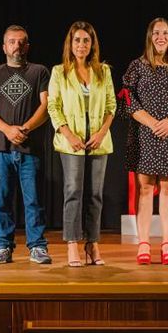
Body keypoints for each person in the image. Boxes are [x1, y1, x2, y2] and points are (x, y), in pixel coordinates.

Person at [121, 18, 168, 265]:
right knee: (145, 188)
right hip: (145, 134)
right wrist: (152, 123)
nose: (161, 37)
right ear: (149, 37)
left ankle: (167, 244)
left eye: (165, 33)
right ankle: (143, 243)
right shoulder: (137, 66)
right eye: (156, 33)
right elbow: (128, 100)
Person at [0, 25, 52, 265]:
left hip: (30, 147)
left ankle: (37, 246)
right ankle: (3, 246)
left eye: (21, 42)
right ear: (4, 47)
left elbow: (46, 106)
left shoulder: (39, 71)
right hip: (0, 148)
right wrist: (7, 129)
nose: (16, 46)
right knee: (2, 200)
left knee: (34, 200)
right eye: (12, 42)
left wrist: (25, 128)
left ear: (27, 46)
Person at [47, 21, 116, 267]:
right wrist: (68, 134)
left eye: (86, 40)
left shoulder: (103, 71)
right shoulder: (59, 72)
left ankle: (92, 243)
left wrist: (101, 133)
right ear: (70, 43)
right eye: (77, 40)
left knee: (95, 194)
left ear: (92, 44)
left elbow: (111, 105)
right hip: (71, 141)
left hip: (98, 140)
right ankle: (72, 243)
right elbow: (53, 106)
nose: (81, 45)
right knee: (73, 191)